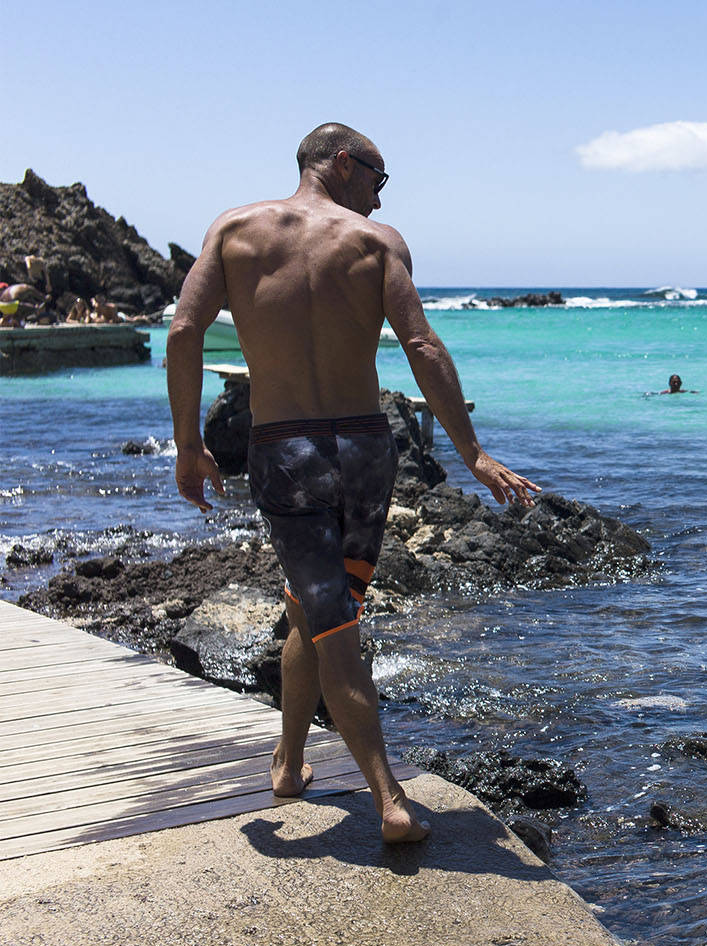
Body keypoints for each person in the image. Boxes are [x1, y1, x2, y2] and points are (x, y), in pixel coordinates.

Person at [166, 122, 541, 843]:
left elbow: (185, 332)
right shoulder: (376, 243)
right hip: (364, 451)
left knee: (324, 609)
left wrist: (189, 443)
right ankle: (351, 783)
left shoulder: (235, 230)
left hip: (284, 449)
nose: (379, 192)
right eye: (377, 175)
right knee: (324, 609)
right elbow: (422, 344)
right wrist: (472, 453)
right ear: (342, 163)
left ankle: (345, 781)